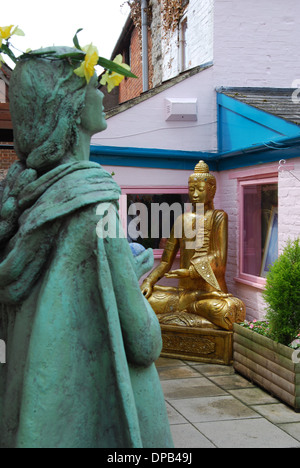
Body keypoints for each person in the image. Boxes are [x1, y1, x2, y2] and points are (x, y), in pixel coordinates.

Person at [0, 47, 173, 448]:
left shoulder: (20, 199)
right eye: (94, 83)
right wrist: (133, 271)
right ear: (73, 108)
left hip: (29, 407)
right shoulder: (97, 202)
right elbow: (145, 343)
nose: (102, 91)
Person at [141, 160, 246, 330]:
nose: (195, 194)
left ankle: (187, 311)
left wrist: (190, 272)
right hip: (184, 294)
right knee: (145, 298)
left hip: (210, 294)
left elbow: (219, 261)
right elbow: (166, 262)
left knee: (227, 309)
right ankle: (189, 310)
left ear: (212, 190)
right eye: (191, 190)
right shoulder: (182, 219)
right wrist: (148, 281)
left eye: (200, 190)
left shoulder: (219, 217)